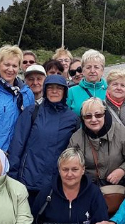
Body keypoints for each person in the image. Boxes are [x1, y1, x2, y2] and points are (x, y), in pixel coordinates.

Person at [8, 74, 80, 203]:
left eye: (59, 88)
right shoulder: (32, 112)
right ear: (45, 90)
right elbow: (17, 145)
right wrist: (12, 176)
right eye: (50, 87)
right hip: (28, 181)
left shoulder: (72, 119)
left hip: (56, 184)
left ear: (65, 91)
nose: (54, 91)